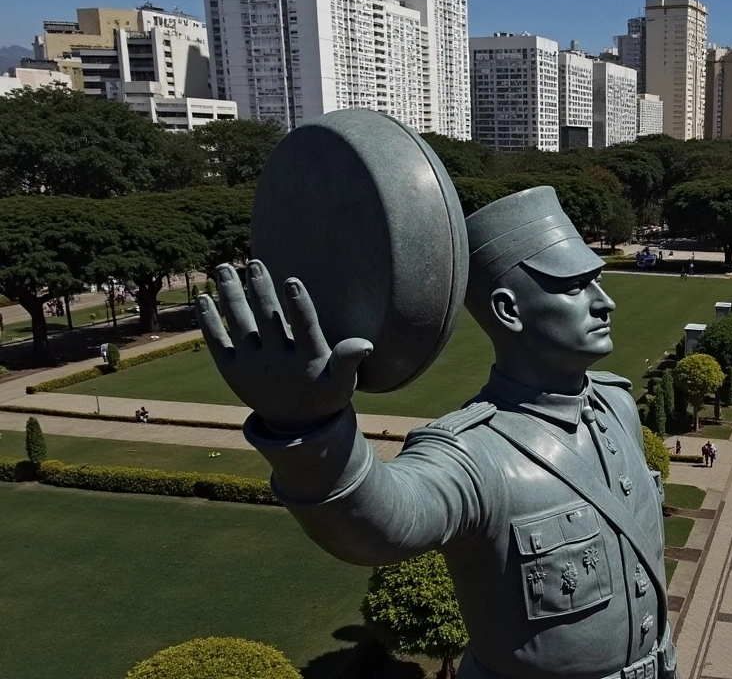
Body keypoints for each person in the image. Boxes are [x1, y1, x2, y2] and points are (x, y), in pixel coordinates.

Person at [196, 188, 677, 679]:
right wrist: (308, 428)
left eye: (596, 280)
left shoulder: (617, 404)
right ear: (509, 310)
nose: (606, 302)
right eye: (575, 287)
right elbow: (380, 527)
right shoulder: (472, 454)